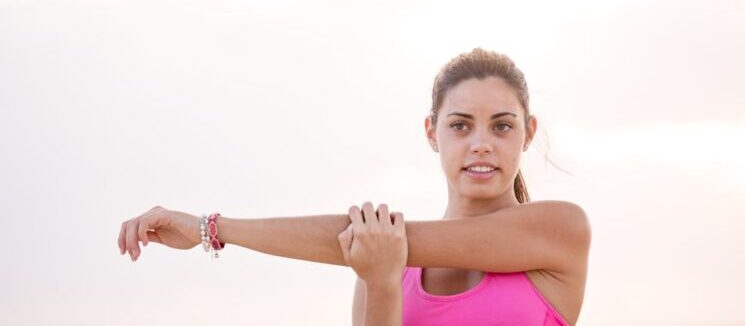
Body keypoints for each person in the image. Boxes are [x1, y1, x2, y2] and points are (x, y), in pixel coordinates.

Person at [117, 47, 591, 326]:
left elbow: (392, 240)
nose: (482, 144)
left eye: (502, 127)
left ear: (528, 132)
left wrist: (209, 227)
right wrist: (382, 283)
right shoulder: (383, 259)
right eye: (462, 126)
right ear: (432, 132)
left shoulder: (559, 230)